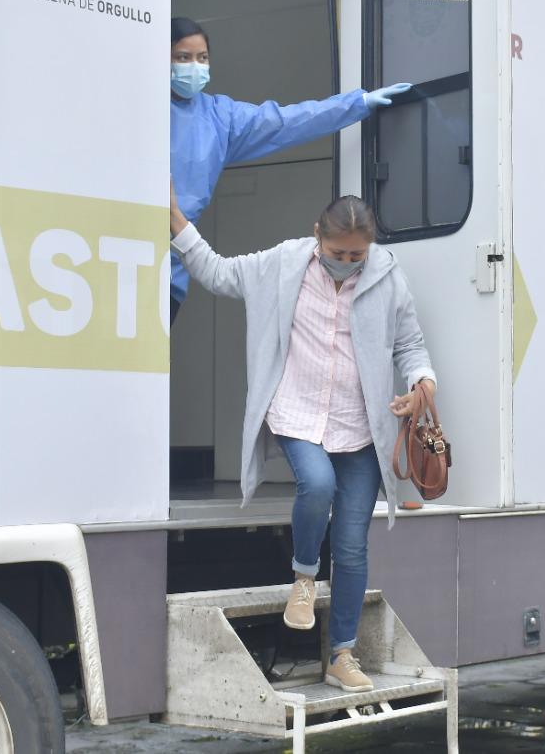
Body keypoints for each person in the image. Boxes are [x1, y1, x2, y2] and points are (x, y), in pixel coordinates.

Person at [169, 183, 437, 693]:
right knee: (317, 484)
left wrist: (422, 383)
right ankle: (304, 576)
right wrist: (178, 223)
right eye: (338, 253)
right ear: (318, 236)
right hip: (297, 412)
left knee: (353, 547)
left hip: (360, 426)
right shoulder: (283, 264)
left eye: (357, 255)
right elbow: (219, 272)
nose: (347, 263)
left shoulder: (386, 276)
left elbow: (410, 344)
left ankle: (342, 655)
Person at [169, 16, 411, 322]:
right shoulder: (138, 105)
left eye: (202, 58)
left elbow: (289, 121)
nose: (194, 66)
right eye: (183, 57)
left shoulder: (219, 117)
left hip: (170, 276)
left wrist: (359, 103)